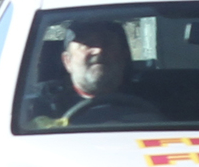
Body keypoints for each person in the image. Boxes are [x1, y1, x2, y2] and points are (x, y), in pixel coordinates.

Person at [24, 17, 159, 128]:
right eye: (88, 44)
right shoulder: (37, 107)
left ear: (124, 56)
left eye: (107, 43)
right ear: (67, 61)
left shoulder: (157, 98)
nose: (98, 50)